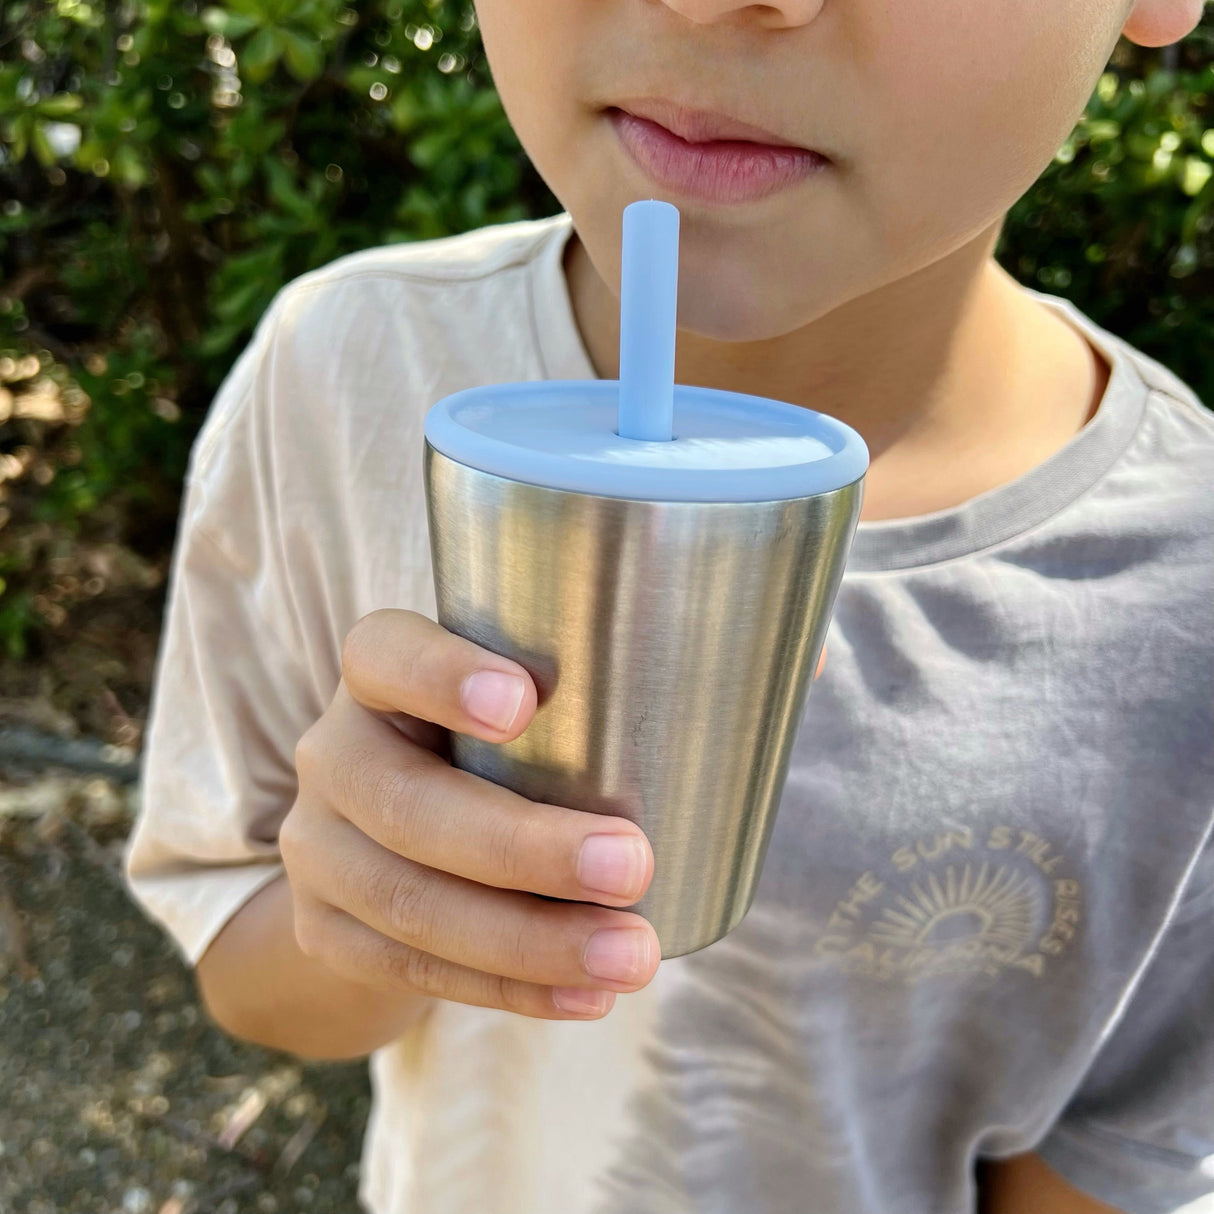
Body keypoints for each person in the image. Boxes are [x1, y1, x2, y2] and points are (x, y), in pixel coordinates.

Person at [122, 0, 1214, 1209]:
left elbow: (1113, 1159)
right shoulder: (347, 374)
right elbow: (250, 977)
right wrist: (382, 905)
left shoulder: (1184, 590)